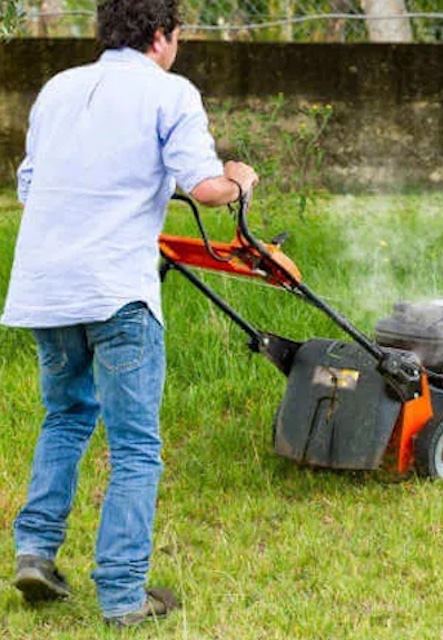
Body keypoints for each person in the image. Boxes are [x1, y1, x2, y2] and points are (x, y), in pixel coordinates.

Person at [1, 0, 258, 628]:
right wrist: (240, 179)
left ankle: (35, 552)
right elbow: (204, 187)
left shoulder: (58, 88)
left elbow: (33, 185)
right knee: (136, 446)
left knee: (65, 415)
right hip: (117, 291)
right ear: (161, 37)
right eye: (177, 36)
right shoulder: (171, 93)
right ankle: (122, 597)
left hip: (45, 287)